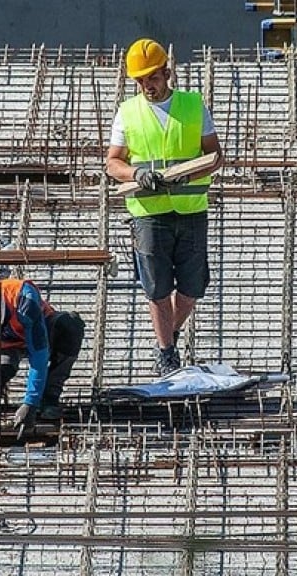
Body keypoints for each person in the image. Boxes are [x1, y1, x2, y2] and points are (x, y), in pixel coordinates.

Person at [105, 38, 224, 376]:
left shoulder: (193, 106)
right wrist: (136, 174)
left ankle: (167, 332)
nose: (148, 86)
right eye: (141, 81)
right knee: (157, 287)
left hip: (190, 209)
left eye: (153, 78)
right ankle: (166, 352)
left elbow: (215, 156)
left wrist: (189, 174)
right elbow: (112, 163)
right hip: (149, 212)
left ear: (167, 73)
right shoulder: (128, 113)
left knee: (192, 287)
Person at [0, 279, 85, 446]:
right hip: (2, 350)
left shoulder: (24, 300)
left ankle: (49, 398)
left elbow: (39, 356)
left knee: (70, 326)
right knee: (0, 368)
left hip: (39, 331)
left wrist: (31, 402)